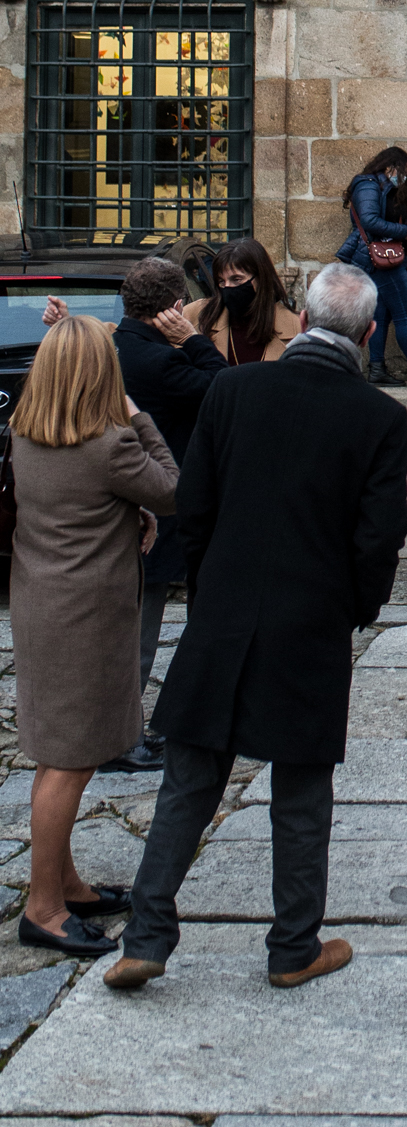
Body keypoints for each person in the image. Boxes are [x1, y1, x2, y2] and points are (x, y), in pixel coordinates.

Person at [101, 262, 407, 993]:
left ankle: (145, 935)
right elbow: (378, 538)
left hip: (225, 610)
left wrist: (211, 592)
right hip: (310, 618)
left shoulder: (233, 391)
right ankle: (292, 945)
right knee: (301, 790)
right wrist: (353, 609)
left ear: (301, 321)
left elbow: (195, 502)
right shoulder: (377, 416)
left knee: (188, 778)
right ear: (367, 335)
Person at [10, 316, 178, 955]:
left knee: (58, 752)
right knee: (69, 762)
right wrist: (138, 413)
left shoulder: (27, 435)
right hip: (85, 616)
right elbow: (174, 489)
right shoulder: (111, 444)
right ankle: (44, 909)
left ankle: (67, 882)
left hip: (41, 605)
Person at [45, 254, 228, 773]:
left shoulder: (110, 347)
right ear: (174, 306)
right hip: (158, 506)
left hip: (111, 505)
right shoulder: (162, 361)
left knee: (124, 628)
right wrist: (193, 338)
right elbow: (224, 389)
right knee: (138, 632)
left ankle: (127, 728)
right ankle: (121, 739)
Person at [336, 144, 407, 389]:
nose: (404, 178)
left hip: (380, 256)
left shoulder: (380, 186)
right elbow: (369, 221)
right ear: (390, 166)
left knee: (380, 316)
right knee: (403, 317)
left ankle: (376, 369)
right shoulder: (367, 185)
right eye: (403, 172)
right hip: (381, 260)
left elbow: (383, 220)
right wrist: (405, 232)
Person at [185, 238, 300, 363]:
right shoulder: (196, 316)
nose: (228, 287)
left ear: (260, 278)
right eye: (221, 281)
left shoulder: (297, 328)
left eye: (237, 279)